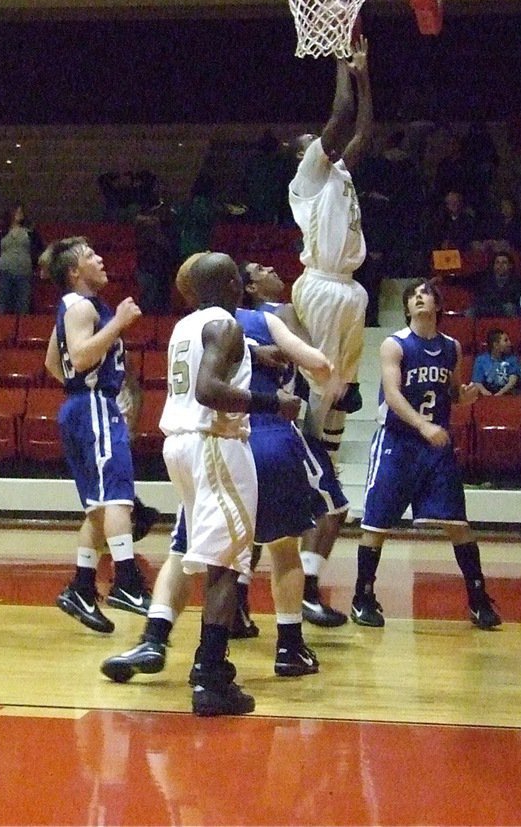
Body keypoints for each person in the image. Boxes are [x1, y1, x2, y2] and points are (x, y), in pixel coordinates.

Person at [160, 252, 300, 715]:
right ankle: (211, 677)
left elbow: (212, 356)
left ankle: (208, 667)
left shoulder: (187, 325)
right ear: (233, 288)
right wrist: (272, 402)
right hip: (216, 441)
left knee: (210, 555)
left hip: (179, 446)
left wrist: (256, 354)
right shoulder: (227, 325)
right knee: (226, 563)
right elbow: (209, 389)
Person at [351, 280, 500, 630]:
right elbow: (392, 393)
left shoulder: (451, 347)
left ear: (437, 304)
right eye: (413, 295)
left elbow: (451, 393)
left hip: (434, 446)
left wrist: (466, 395)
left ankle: (478, 600)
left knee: (457, 524)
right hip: (398, 442)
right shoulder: (395, 345)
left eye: (425, 293)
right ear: (407, 308)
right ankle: (363, 596)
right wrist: (422, 426)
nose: (419, 297)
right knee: (376, 524)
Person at [233, 259, 351, 632]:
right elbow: (316, 360)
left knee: (250, 520)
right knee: (333, 506)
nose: (273, 270)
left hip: (236, 428)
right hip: (277, 425)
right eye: (262, 270)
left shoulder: (226, 321)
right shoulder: (279, 312)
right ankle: (308, 592)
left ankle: (235, 602)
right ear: (250, 287)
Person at [42, 236, 150, 633]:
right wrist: (119, 324)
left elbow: (54, 361)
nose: (100, 257)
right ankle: (126, 581)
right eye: (91, 255)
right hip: (91, 407)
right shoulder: (82, 305)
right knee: (118, 496)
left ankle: (82, 587)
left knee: (99, 506)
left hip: (81, 405)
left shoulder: (74, 307)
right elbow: (83, 355)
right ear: (74, 272)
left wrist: (76, 386)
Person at [288, 35, 372, 455]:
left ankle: (329, 462)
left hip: (349, 286)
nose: (322, 144)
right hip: (321, 283)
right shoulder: (308, 176)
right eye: (312, 142)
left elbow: (364, 132)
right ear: (303, 156)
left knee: (345, 387)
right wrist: (340, 54)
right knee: (321, 378)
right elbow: (341, 114)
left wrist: (364, 75)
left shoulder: (340, 173)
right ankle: (306, 455)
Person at [0, 204, 44, 315]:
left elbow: (39, 248)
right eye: (17, 212)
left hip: (24, 272)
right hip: (4, 271)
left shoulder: (30, 232)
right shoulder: (1, 233)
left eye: (21, 212)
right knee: (3, 306)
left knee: (23, 306)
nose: (20, 214)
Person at [470, 250, 521, 318]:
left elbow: (517, 302)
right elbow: (480, 299)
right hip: (488, 309)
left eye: (504, 262)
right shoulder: (485, 282)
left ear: (510, 265)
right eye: (497, 262)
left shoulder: (517, 283)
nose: (500, 265)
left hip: (506, 310)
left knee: (510, 308)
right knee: (470, 311)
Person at [471, 328, 521, 397]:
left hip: (507, 394)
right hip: (487, 395)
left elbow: (512, 380)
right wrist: (485, 392)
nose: (509, 343)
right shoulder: (481, 360)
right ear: (496, 345)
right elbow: (477, 382)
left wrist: (500, 394)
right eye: (505, 340)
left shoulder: (512, 359)